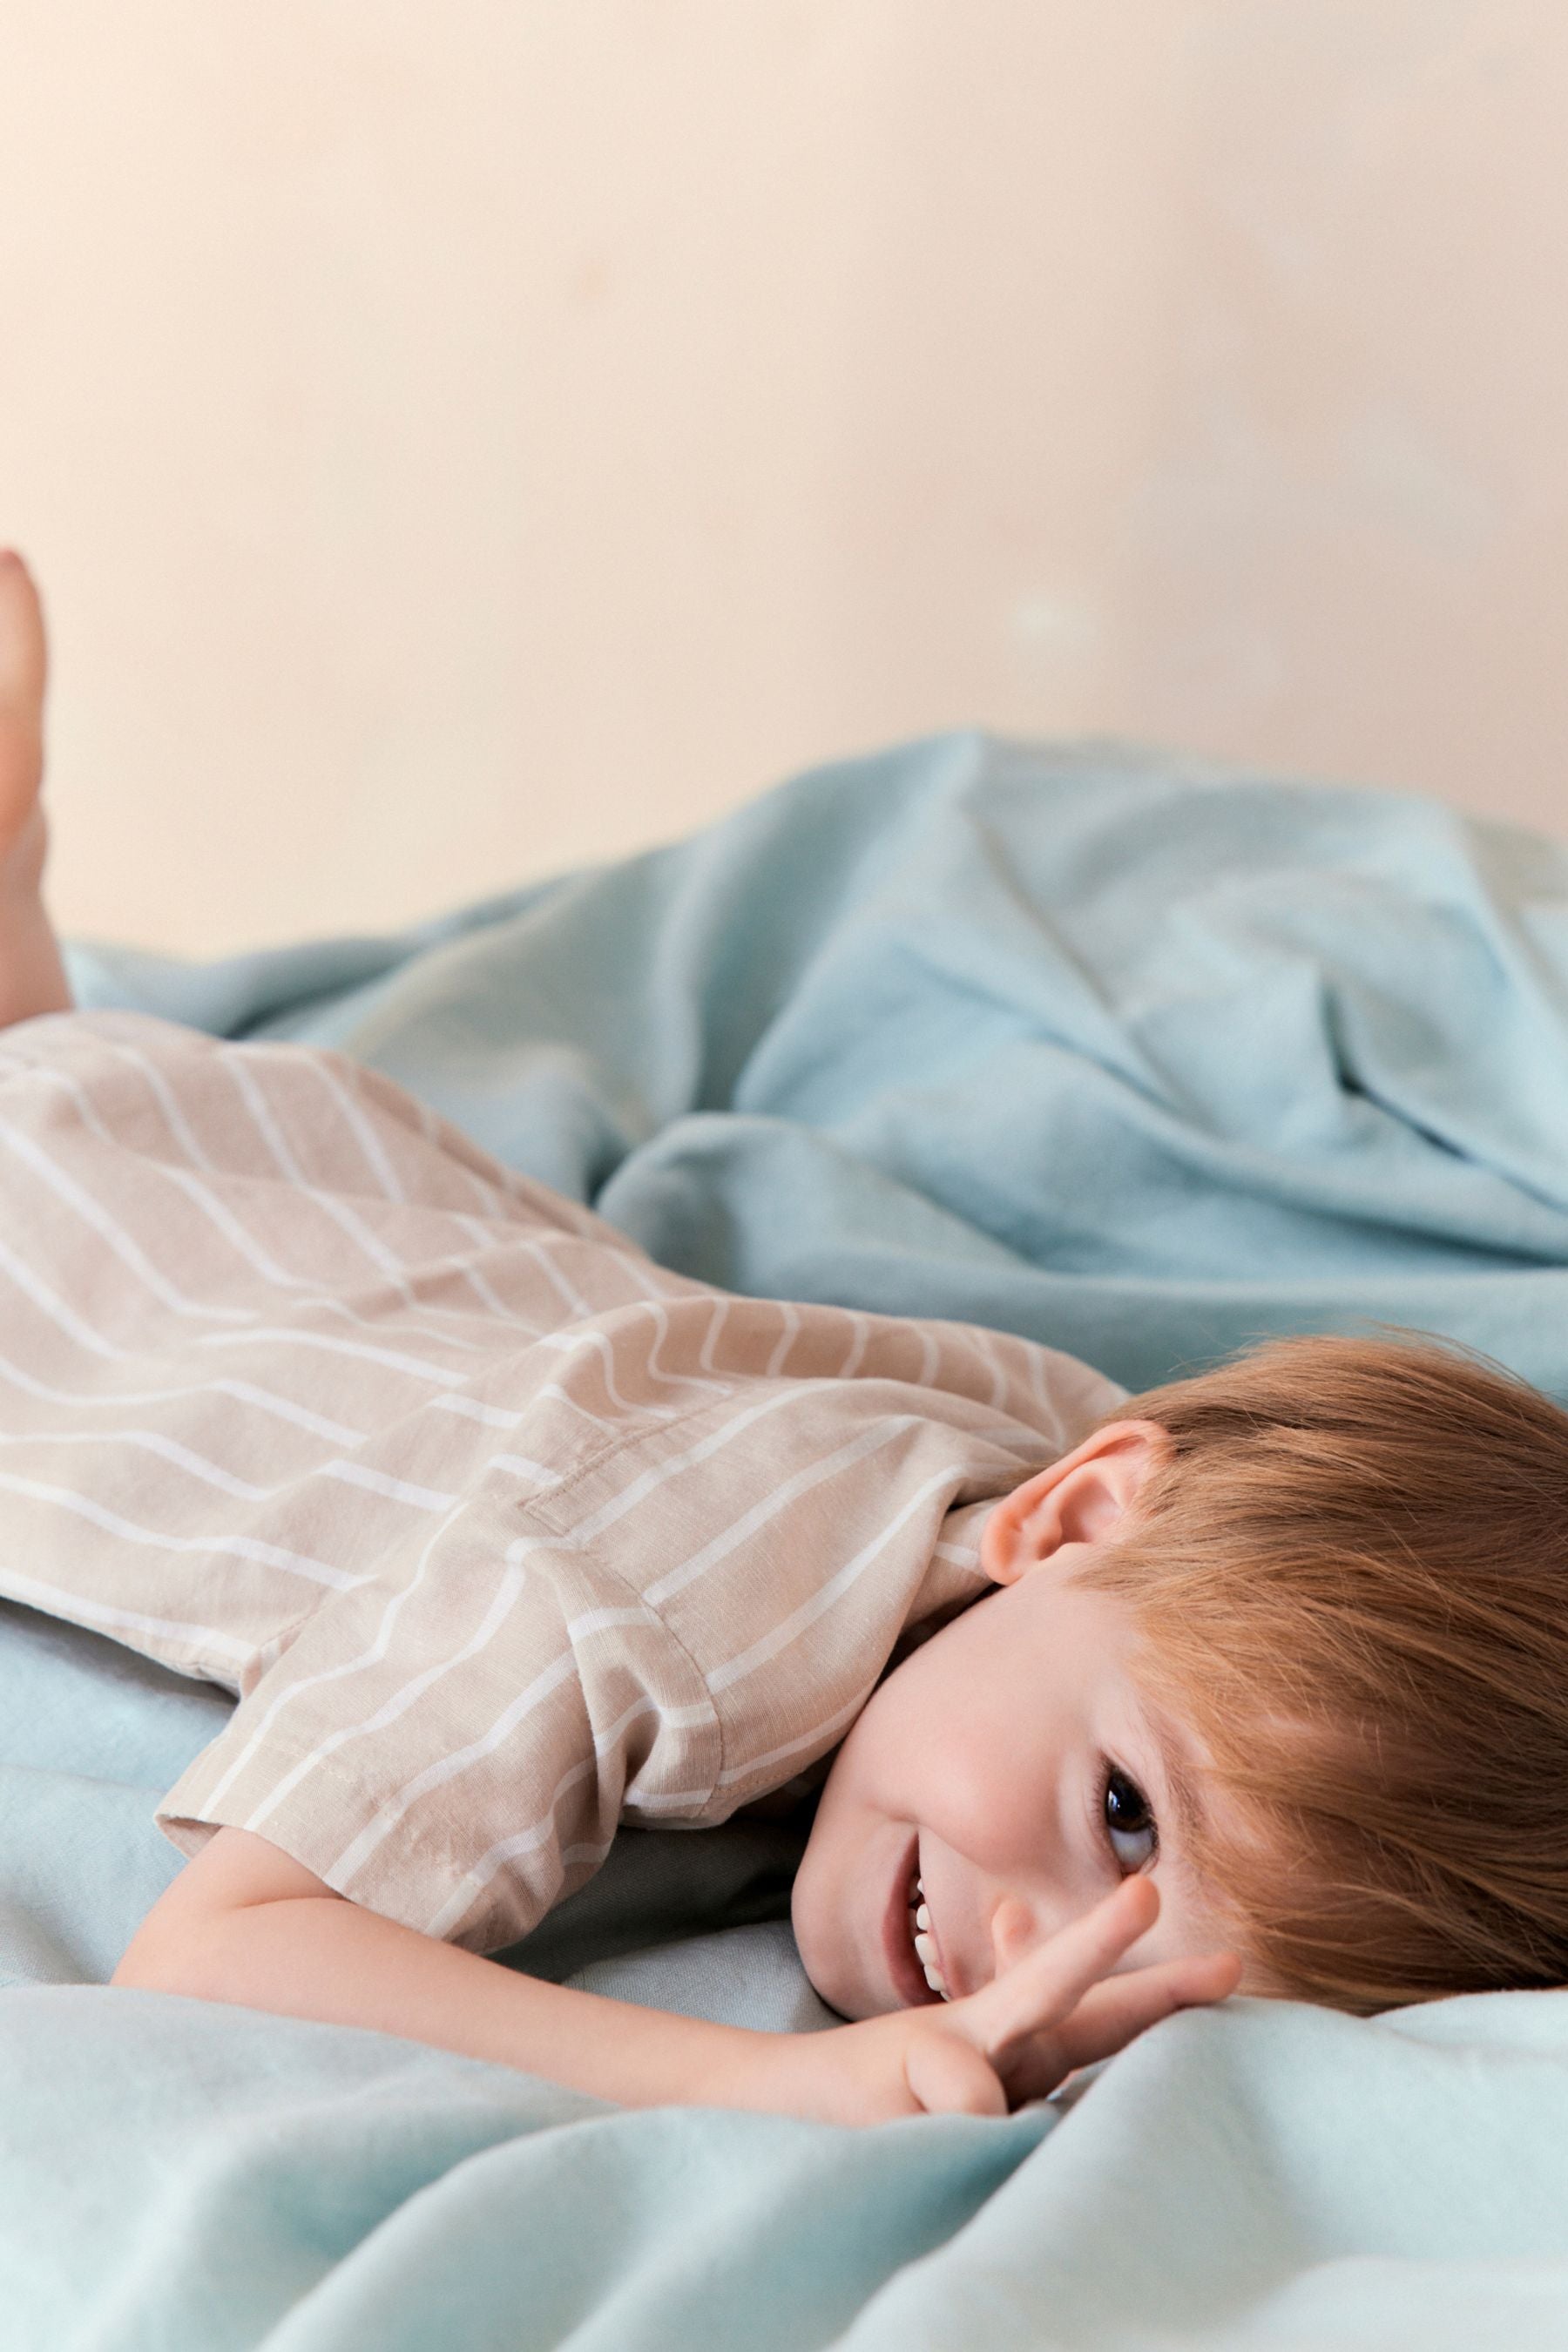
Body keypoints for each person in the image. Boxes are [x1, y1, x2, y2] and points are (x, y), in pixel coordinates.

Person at [2, 551, 1565, 2129]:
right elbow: (224, 1954)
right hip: (47, 1291)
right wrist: (774, 2080)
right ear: (1069, 1512)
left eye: (1157, 2004)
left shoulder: (1059, 1487)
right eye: (1123, 1821)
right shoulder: (658, 1602)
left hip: (269, 1163)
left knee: (73, 1095)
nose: (1043, 1954)